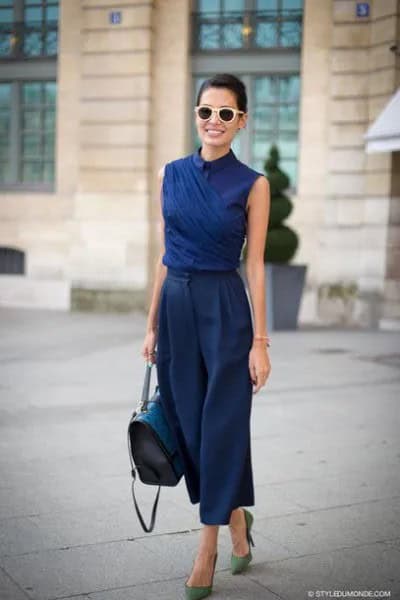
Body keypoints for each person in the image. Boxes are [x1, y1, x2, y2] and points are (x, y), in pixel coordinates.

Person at [141, 73, 271, 599]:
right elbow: (166, 255)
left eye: (225, 113)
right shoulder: (169, 174)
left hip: (224, 308)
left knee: (222, 426)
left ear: (241, 121)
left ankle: (208, 545)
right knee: (190, 427)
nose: (213, 121)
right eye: (205, 111)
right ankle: (237, 518)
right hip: (175, 308)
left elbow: (256, 266)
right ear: (195, 115)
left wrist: (261, 343)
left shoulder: (253, 184)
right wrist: (150, 323)